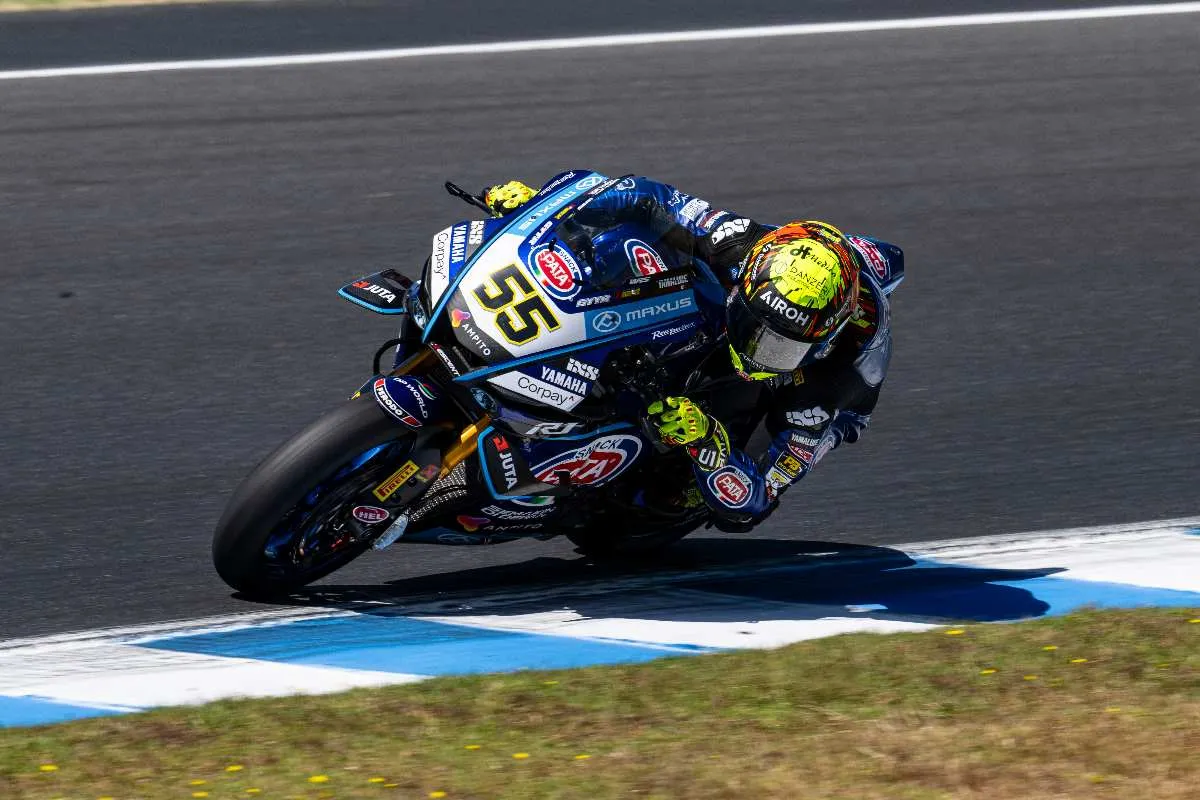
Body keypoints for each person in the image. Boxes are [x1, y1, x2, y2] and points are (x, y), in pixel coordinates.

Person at [481, 176, 895, 531]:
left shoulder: (831, 388)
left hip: (802, 393)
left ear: (824, 339)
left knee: (698, 486)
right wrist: (546, 210)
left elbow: (754, 502)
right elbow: (641, 196)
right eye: (753, 328)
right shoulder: (739, 243)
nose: (754, 351)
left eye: (778, 348)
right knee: (629, 249)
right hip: (776, 276)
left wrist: (707, 440)